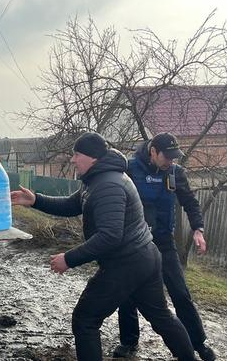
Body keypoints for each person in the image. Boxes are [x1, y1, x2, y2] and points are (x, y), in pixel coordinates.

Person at [10, 132, 197, 361]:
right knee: (162, 318)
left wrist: (69, 259)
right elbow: (72, 204)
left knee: (85, 320)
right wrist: (36, 200)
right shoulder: (99, 178)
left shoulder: (109, 185)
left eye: (76, 155)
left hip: (127, 263)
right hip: (143, 257)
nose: (72, 160)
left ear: (92, 158)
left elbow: (110, 236)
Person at [113, 133, 215, 360]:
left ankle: (198, 343)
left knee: (180, 292)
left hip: (163, 240)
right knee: (128, 292)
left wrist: (198, 229)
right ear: (152, 151)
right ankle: (128, 341)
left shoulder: (175, 173)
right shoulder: (129, 169)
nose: (171, 161)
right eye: (167, 157)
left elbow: (190, 202)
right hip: (134, 241)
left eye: (174, 157)